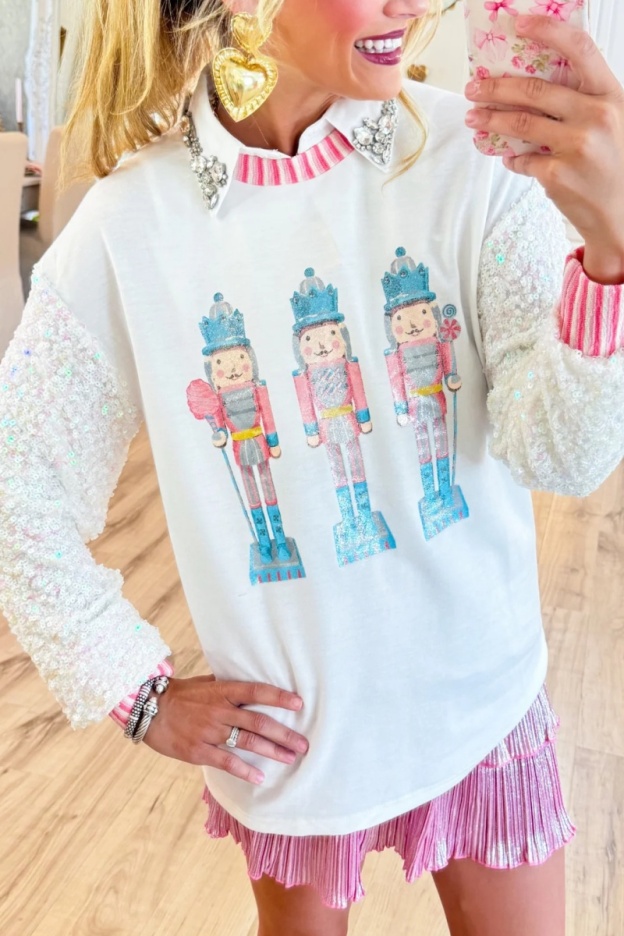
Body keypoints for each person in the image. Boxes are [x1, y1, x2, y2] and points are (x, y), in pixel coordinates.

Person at [1, 1, 623, 934]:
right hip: (294, 746)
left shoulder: (473, 158)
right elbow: (17, 486)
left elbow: (560, 455)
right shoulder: (128, 229)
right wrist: (138, 692)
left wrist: (611, 257)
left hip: (483, 705)